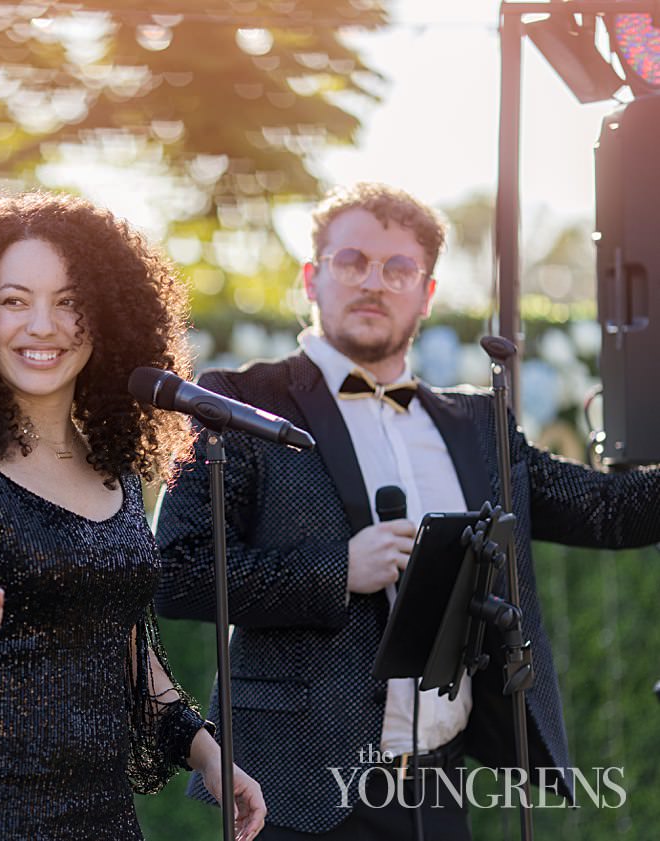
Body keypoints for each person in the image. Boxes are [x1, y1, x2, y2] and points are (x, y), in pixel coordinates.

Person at [153, 182, 660, 839]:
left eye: (398, 268)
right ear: (312, 278)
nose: (374, 281)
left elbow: (609, 511)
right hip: (296, 791)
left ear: (426, 292)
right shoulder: (242, 402)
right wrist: (337, 569)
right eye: (352, 261)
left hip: (437, 784)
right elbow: (175, 570)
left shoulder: (478, 421)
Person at [0, 192, 266, 841]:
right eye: (13, 301)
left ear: (105, 315)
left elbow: (133, 661)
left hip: (100, 818)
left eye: (69, 301)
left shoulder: (117, 471)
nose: (42, 325)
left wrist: (208, 753)